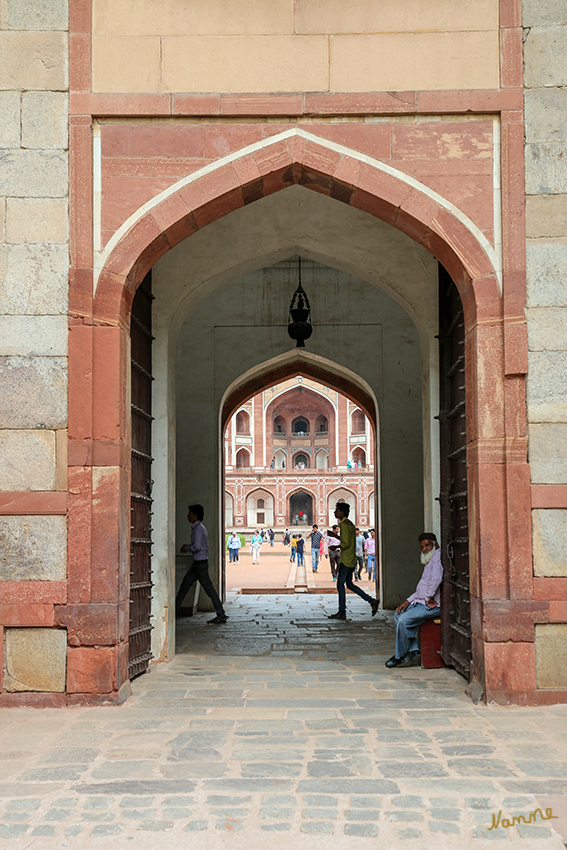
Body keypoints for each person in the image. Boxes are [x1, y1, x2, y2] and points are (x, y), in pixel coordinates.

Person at [385, 532, 443, 668]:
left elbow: (436, 579)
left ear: (436, 544)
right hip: (422, 602)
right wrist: (407, 601)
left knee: (403, 621)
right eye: (422, 547)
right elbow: (420, 590)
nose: (424, 549)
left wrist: (428, 597)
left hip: (431, 605)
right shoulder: (429, 561)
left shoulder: (437, 557)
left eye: (427, 545)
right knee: (398, 613)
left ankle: (400, 656)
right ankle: (413, 651)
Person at [176, 504, 228, 624]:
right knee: (185, 587)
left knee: (204, 589)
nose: (188, 516)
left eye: (190, 513)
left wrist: (186, 548)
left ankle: (221, 614)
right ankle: (173, 612)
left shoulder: (199, 529)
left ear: (195, 515)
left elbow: (197, 547)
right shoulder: (197, 528)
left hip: (200, 565)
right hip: (198, 565)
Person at [328, 502, 379, 620]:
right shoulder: (349, 524)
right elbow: (348, 540)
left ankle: (342, 612)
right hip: (352, 558)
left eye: (337, 510)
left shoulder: (343, 525)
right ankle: (371, 601)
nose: (335, 512)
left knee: (340, 584)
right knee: (349, 584)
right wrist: (335, 537)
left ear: (342, 512)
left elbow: (345, 544)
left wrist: (335, 546)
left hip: (346, 559)